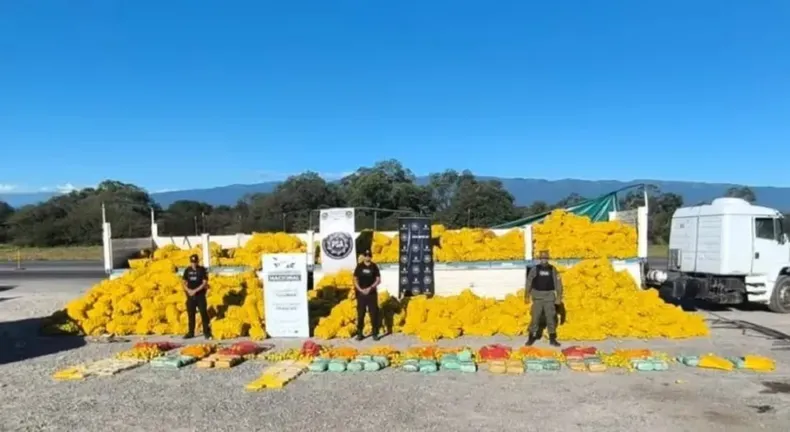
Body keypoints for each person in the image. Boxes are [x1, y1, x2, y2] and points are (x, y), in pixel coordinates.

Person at [525, 250, 563, 347]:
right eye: (542, 258)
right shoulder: (535, 269)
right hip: (537, 297)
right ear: (539, 259)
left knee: (550, 318)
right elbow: (529, 282)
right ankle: (531, 337)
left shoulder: (552, 269)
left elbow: (558, 283)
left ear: (548, 259)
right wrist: (526, 295)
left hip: (549, 297)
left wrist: (559, 297)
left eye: (545, 258)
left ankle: (552, 338)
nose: (544, 260)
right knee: (535, 318)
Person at [182, 254, 212, 339]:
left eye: (195, 262)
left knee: (203, 312)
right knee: (191, 314)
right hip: (190, 296)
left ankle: (207, 332)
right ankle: (190, 332)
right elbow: (183, 282)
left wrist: (195, 291)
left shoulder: (202, 270)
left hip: (200, 295)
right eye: (192, 262)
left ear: (198, 262)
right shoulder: (187, 270)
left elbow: (204, 283)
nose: (194, 264)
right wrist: (188, 290)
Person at [353, 250, 381, 341]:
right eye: (366, 255)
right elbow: (355, 279)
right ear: (364, 257)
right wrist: (360, 289)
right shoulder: (359, 266)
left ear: (371, 257)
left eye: (369, 255)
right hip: (361, 294)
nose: (367, 257)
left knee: (373, 314)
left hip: (371, 294)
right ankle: (360, 334)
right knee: (361, 314)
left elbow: (378, 280)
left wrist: (370, 288)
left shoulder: (374, 266)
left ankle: (375, 333)